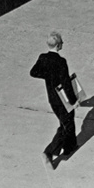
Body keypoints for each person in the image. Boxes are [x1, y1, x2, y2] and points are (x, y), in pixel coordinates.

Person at [30, 31, 78, 169]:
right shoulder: (61, 61)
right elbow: (66, 83)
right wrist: (74, 100)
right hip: (63, 98)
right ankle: (49, 152)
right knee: (66, 125)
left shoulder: (43, 57)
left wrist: (48, 76)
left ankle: (70, 146)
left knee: (67, 120)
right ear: (58, 45)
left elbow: (33, 72)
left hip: (52, 98)